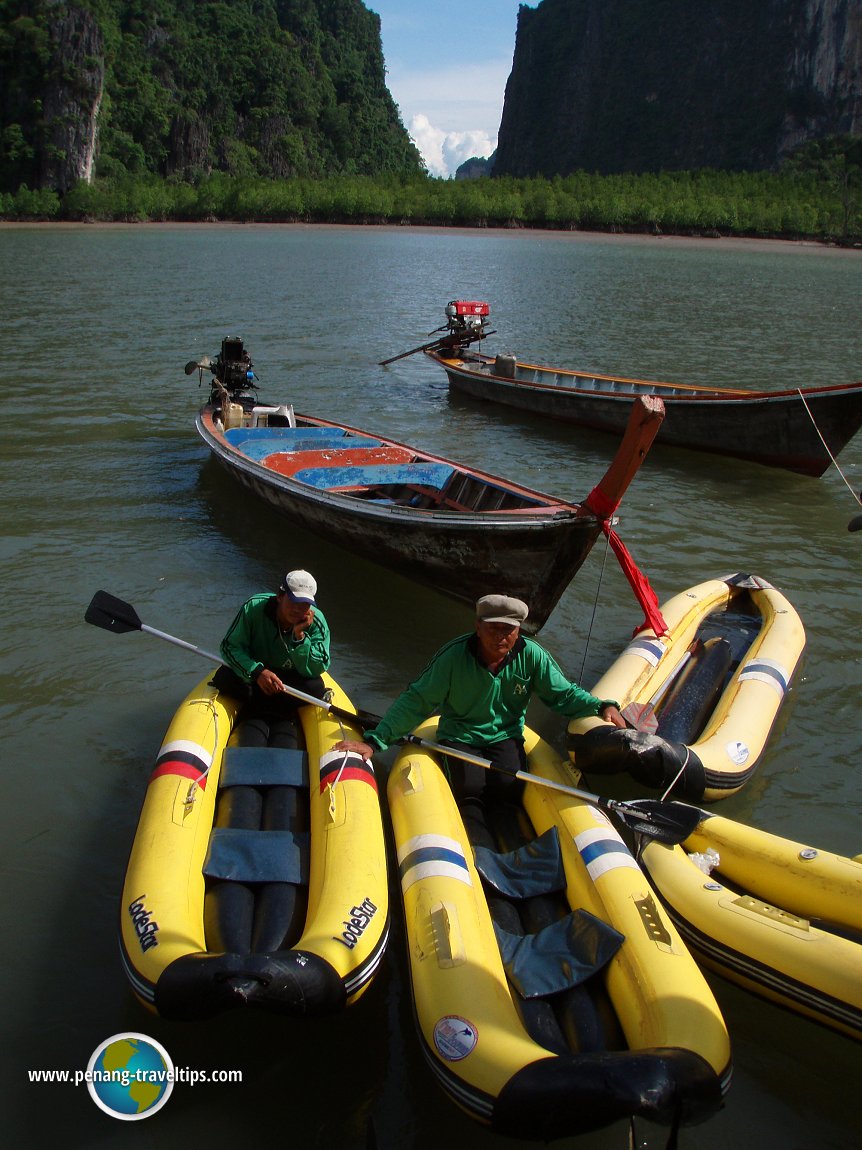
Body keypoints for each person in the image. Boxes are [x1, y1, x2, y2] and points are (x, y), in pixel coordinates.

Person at [336, 594, 625, 800]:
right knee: (469, 788)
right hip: (459, 735)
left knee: (508, 787)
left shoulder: (532, 656)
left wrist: (601, 706)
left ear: (518, 630)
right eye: (493, 628)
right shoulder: (453, 656)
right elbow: (417, 700)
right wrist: (375, 741)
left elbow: (562, 694)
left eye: (508, 630)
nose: (500, 637)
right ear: (478, 626)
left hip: (504, 735)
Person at [213, 569, 331, 746]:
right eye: (294, 601)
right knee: (224, 678)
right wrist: (257, 672)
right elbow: (230, 646)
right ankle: (268, 707)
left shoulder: (317, 622)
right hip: (255, 675)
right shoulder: (253, 607)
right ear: (280, 596)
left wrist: (299, 636)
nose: (298, 609)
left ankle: (267, 707)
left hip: (289, 681)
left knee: (315, 687)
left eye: (305, 604)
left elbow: (317, 668)